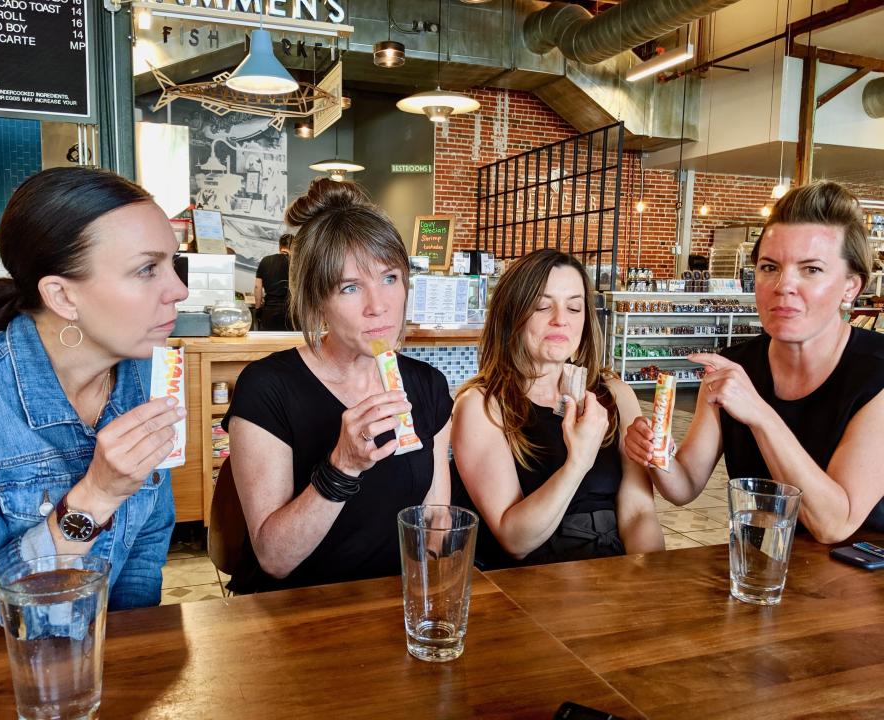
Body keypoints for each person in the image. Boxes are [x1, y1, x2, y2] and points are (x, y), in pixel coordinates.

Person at [0, 167, 189, 631]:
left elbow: (146, 550)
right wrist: (95, 497)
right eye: (148, 269)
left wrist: (126, 660)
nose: (179, 290)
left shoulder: (149, 378)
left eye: (172, 263)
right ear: (62, 295)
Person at [222, 178, 451, 593]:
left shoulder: (427, 385)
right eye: (350, 287)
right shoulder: (267, 387)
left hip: (391, 609)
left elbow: (436, 519)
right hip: (290, 615)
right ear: (316, 301)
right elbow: (273, 559)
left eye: (389, 278)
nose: (378, 305)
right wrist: (342, 466)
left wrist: (423, 600)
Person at [626, 181, 884, 542]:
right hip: (756, 571)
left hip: (858, 584)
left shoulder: (875, 374)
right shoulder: (733, 366)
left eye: (811, 270)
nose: (783, 285)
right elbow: (684, 486)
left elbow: (833, 523)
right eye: (769, 267)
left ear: (850, 287)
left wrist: (759, 413)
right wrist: (657, 453)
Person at [451, 249, 664, 569]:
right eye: (542, 305)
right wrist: (578, 461)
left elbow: (639, 514)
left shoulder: (616, 396)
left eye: (574, 306)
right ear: (512, 314)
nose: (561, 319)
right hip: (530, 588)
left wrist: (646, 582)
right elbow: (515, 540)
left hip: (612, 581)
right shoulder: (482, 406)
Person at [254, 233, 294, 331]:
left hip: (270, 311)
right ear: (293, 246)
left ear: (280, 246)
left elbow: (257, 287)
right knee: (291, 343)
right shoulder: (297, 263)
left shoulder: (266, 260)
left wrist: (258, 309)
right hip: (291, 313)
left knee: (268, 343)